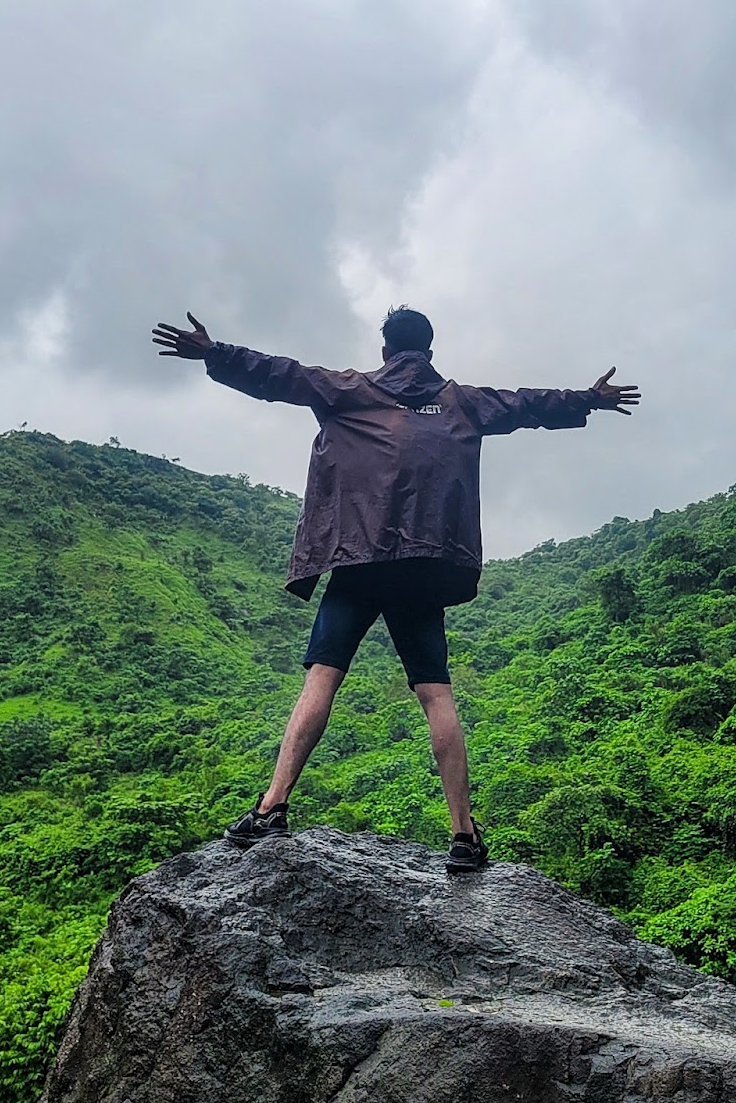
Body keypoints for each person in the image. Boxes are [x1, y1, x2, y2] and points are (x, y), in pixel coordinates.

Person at [151, 306, 640, 872]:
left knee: (322, 679)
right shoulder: (462, 402)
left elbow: (280, 374)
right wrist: (587, 398)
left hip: (359, 560)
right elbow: (526, 404)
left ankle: (272, 806)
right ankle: (463, 835)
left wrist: (214, 353)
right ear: (430, 350)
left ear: (385, 350)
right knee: (436, 693)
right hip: (423, 568)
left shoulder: (352, 390)